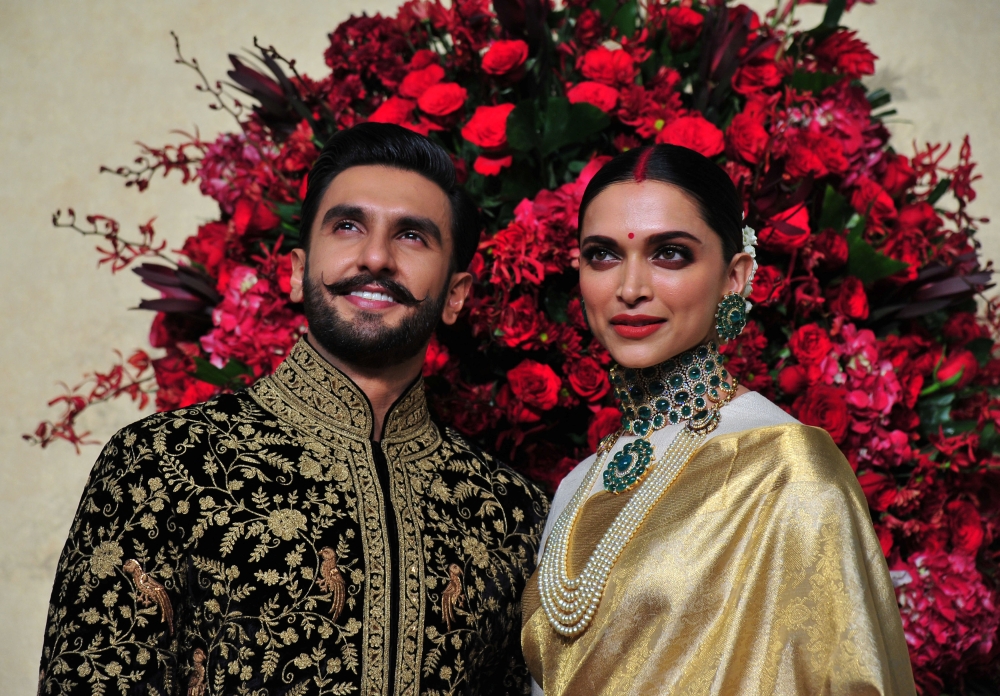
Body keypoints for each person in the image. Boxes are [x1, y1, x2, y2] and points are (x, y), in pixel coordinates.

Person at [39, 122, 549, 696]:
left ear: (456, 295)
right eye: (348, 226)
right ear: (296, 270)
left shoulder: (510, 512)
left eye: (412, 236)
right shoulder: (164, 463)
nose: (376, 257)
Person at [520, 145, 916, 695]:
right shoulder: (576, 484)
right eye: (603, 255)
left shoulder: (789, 470)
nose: (630, 288)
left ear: (735, 277)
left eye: (671, 254)